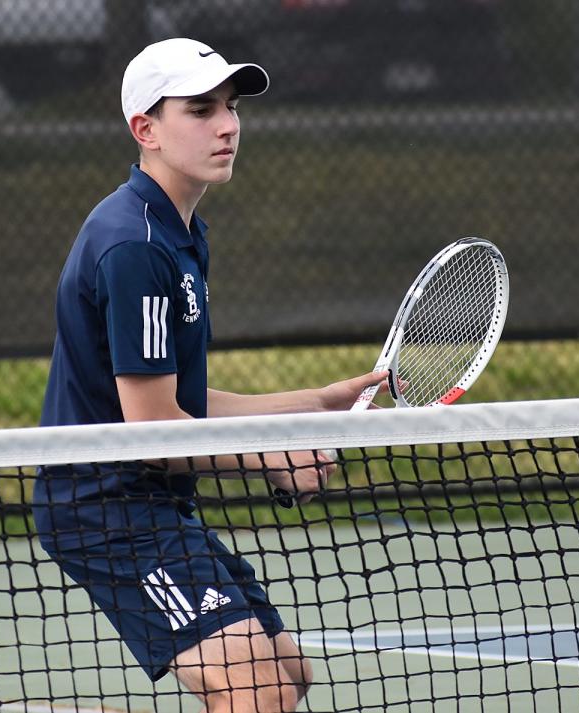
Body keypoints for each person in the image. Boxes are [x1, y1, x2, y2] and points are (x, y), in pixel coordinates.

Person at [32, 38, 385, 713]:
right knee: (258, 693)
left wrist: (307, 404)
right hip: (104, 507)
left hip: (148, 497)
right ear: (146, 130)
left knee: (289, 676)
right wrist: (269, 456)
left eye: (230, 107)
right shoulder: (134, 247)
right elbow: (155, 431)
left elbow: (173, 399)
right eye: (200, 110)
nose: (227, 125)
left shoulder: (180, 233)